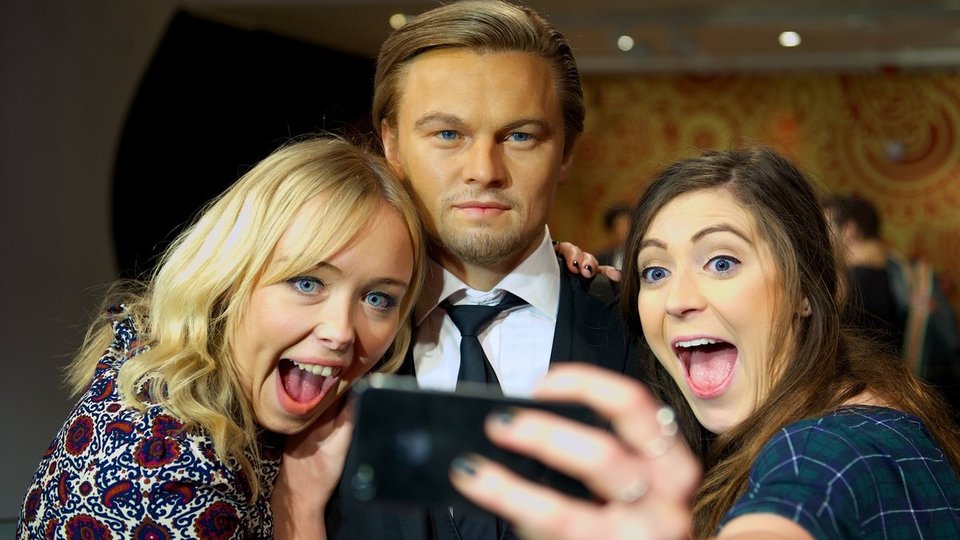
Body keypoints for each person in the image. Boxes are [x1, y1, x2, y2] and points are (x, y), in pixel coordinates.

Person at [449, 147, 960, 539]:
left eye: (721, 262)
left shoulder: (820, 451)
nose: (677, 300)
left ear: (806, 290)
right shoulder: (877, 410)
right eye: (655, 271)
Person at [326, 1, 639, 539]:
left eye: (519, 136)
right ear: (392, 144)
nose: (484, 171)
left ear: (566, 153)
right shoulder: (326, 340)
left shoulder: (644, 330)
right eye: (448, 134)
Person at [17, 137, 426, 539]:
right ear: (230, 278)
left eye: (378, 298)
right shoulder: (170, 477)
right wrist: (300, 506)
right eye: (307, 283)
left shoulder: (182, 374)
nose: (341, 332)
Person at [823, 194, 960, 408]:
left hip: (877, 398)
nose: (822, 237)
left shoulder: (855, 283)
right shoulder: (905, 271)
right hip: (923, 393)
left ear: (849, 230)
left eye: (827, 226)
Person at [596, 205, 632, 269]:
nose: (625, 231)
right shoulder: (601, 259)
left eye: (627, 225)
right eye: (619, 227)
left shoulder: (641, 254)